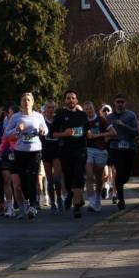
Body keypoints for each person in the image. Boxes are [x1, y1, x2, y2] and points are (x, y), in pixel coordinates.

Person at [3, 92, 48, 219]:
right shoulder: (16, 117)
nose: (26, 102)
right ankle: (25, 205)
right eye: (24, 100)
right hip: (20, 151)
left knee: (32, 177)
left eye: (28, 100)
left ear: (32, 102)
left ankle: (33, 205)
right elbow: (7, 133)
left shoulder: (38, 116)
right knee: (21, 180)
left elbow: (46, 130)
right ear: (21, 103)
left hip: (35, 151)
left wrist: (42, 131)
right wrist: (17, 129)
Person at [52, 90, 89, 218]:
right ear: (65, 101)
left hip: (81, 150)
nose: (71, 100)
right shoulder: (61, 115)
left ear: (77, 100)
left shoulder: (83, 115)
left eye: (73, 98)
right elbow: (53, 134)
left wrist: (88, 134)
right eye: (68, 98)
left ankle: (77, 206)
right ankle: (70, 194)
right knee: (68, 178)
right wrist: (65, 134)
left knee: (79, 175)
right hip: (66, 151)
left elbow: (87, 131)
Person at [105, 94, 139, 210]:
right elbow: (105, 132)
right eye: (118, 101)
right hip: (115, 147)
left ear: (125, 103)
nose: (120, 104)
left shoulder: (131, 115)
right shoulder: (109, 118)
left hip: (129, 147)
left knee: (126, 175)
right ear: (114, 103)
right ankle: (121, 198)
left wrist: (124, 125)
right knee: (119, 171)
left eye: (122, 102)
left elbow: (136, 132)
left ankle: (120, 188)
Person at [82, 100, 111, 212]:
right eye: (87, 109)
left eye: (90, 108)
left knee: (99, 178)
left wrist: (99, 135)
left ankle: (98, 198)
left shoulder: (101, 119)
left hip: (101, 150)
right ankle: (92, 201)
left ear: (94, 109)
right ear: (84, 110)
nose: (89, 110)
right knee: (89, 176)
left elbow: (113, 132)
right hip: (88, 149)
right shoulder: (83, 121)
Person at [41, 99, 63, 213]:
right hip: (45, 151)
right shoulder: (41, 120)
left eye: (53, 107)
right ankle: (53, 203)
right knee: (49, 180)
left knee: (57, 179)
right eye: (49, 107)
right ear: (45, 108)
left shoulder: (58, 119)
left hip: (56, 151)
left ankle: (59, 198)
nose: (51, 110)